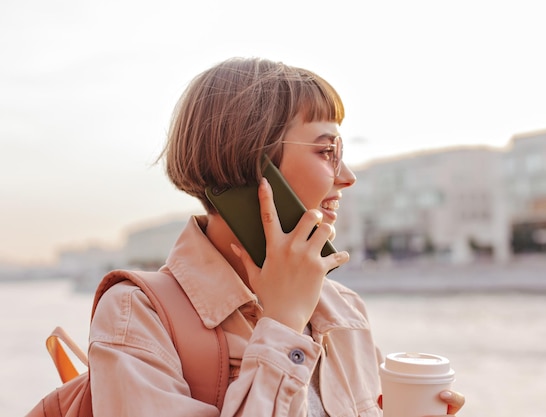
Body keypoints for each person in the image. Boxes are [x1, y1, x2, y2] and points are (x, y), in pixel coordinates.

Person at [88, 57, 465, 417]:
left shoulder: (344, 310)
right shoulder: (136, 315)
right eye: (327, 151)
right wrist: (282, 323)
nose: (348, 176)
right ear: (253, 165)